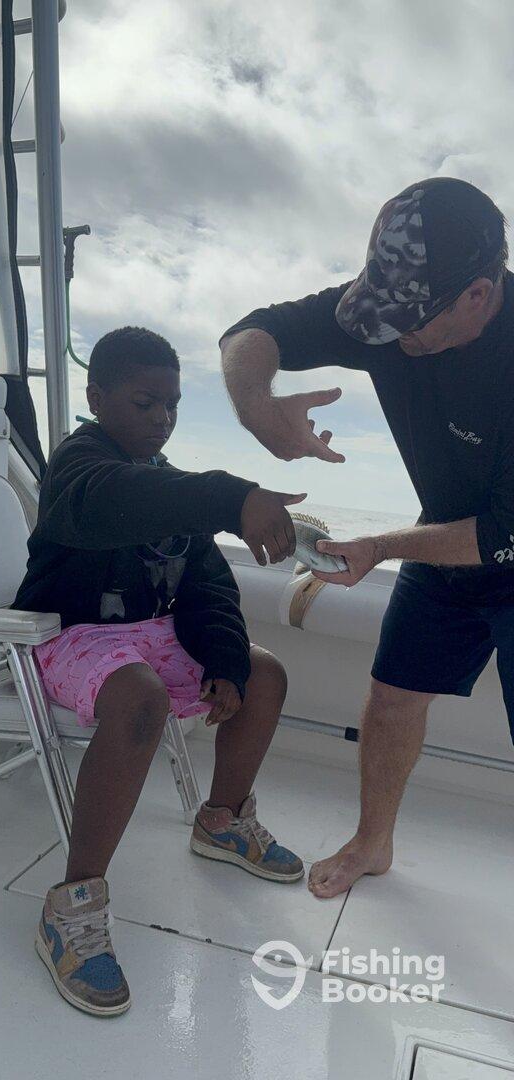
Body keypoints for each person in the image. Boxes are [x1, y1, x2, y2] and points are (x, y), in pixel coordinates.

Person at [219, 176, 514, 901]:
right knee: (390, 699)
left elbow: (506, 533)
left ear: (479, 293)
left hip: (495, 540)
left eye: (409, 321)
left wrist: (381, 548)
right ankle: (372, 842)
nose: (387, 337)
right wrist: (257, 407)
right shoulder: (386, 310)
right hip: (444, 539)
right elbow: (253, 331)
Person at [12, 326, 306, 1017]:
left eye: (171, 406)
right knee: (140, 697)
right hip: (64, 635)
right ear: (97, 397)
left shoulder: (166, 483)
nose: (161, 419)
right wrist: (232, 498)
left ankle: (222, 820)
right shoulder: (78, 466)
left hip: (143, 634)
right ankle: (72, 906)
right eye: (144, 403)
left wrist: (227, 663)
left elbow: (206, 586)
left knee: (266, 675)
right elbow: (115, 499)